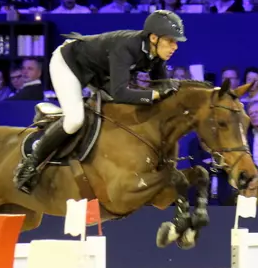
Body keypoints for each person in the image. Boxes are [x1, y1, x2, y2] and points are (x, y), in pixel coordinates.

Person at [13, 10, 186, 193]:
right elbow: (122, 94)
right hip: (69, 63)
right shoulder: (126, 47)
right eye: (170, 41)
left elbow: (161, 88)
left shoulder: (156, 55)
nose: (175, 46)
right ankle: (29, 165)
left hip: (98, 72)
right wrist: (154, 95)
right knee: (75, 120)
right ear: (153, 38)